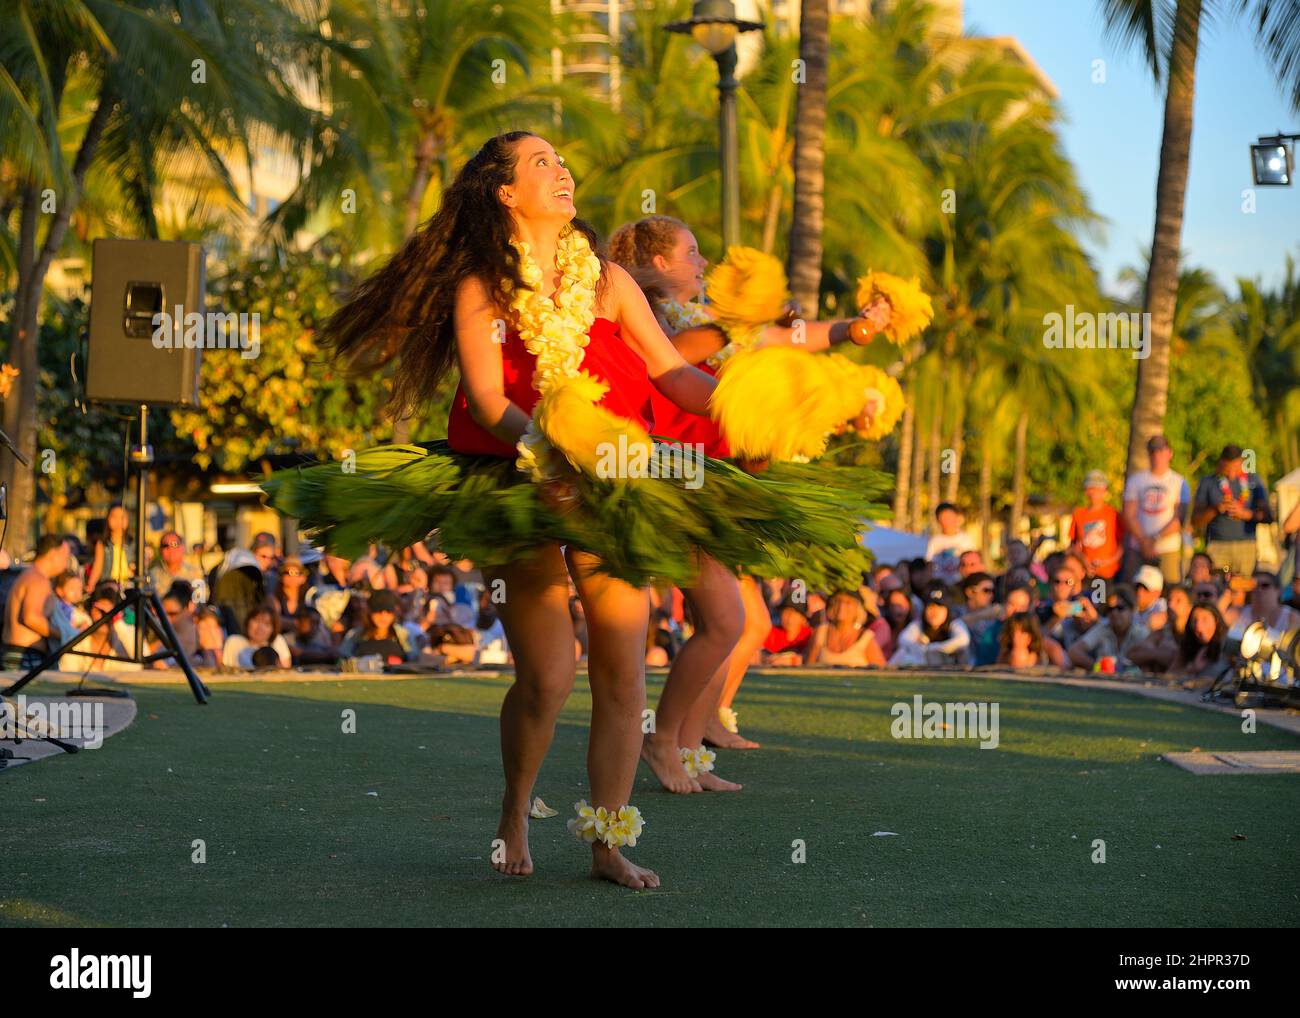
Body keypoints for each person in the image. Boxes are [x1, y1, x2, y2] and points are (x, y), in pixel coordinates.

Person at [260, 132, 877, 889]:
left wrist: (766, 409)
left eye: (563, 159)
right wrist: (550, 450)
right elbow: (488, 402)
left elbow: (677, 376)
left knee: (623, 674)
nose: (564, 170)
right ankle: (516, 809)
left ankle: (608, 840)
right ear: (505, 193)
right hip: (520, 479)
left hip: (615, 481)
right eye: (541, 163)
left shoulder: (609, 280)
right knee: (550, 676)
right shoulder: (481, 288)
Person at [608, 212, 894, 781]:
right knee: (725, 620)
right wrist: (735, 324)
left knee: (729, 621)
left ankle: (685, 747)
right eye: (691, 252)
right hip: (670, 476)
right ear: (661, 263)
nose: (703, 262)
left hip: (713, 478)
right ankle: (664, 741)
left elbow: (790, 335)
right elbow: (668, 359)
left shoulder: (712, 319)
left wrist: (858, 327)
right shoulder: (651, 317)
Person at [1192, 444, 1271, 578]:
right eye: (1227, 468)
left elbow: (1268, 517)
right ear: (1221, 463)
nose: (1231, 473)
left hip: (1246, 546)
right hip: (1217, 547)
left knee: (1244, 586)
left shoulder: (1254, 481)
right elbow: (1195, 521)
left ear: (1241, 463)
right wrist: (1216, 509)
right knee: (1217, 585)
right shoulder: (1208, 482)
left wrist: (1246, 514)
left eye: (1236, 467)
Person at [1122, 434, 1189, 585]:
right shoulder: (1136, 480)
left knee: (1170, 588)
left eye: (1161, 450)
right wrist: (1144, 542)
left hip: (1167, 548)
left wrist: (1155, 539)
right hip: (1138, 548)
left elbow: (1180, 519)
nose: (1156, 454)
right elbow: (1129, 514)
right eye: (1153, 451)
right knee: (1133, 589)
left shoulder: (1179, 482)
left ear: (1169, 453)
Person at [2, 534, 74, 669]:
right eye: (65, 558)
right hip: (25, 656)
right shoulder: (38, 580)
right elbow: (31, 618)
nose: (66, 564)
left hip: (18, 653)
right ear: (53, 554)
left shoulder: (31, 575)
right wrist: (65, 635)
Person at [1067, 585, 1150, 672]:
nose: (1114, 613)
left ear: (1132, 610)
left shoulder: (1141, 633)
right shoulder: (1103, 628)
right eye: (1110, 609)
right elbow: (1074, 652)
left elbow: (1150, 659)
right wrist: (1096, 667)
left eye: (1120, 608)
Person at [889, 582, 971, 667]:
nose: (934, 612)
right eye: (930, 607)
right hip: (924, 667)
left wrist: (933, 648)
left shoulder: (955, 624)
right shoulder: (919, 624)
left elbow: (963, 640)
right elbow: (903, 640)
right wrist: (924, 649)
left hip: (952, 670)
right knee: (902, 652)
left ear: (947, 609)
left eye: (939, 607)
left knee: (962, 651)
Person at [807, 591, 886, 667]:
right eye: (838, 601)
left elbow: (881, 673)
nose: (841, 607)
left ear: (857, 608)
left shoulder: (866, 638)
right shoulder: (820, 632)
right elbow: (809, 667)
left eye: (848, 603)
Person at [1069, 471, 1124, 580]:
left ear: (1105, 491)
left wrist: (1108, 561)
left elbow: (1122, 544)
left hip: (1109, 573)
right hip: (1085, 573)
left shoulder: (1113, 514)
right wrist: (1084, 561)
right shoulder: (1079, 513)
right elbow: (1073, 545)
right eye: (1090, 488)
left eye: (1098, 488)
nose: (1093, 492)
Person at [338, 589, 417, 664]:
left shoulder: (402, 635)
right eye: (378, 611)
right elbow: (342, 659)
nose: (383, 616)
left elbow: (415, 659)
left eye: (388, 612)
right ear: (370, 612)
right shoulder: (355, 635)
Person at [1129, 584, 1192, 673]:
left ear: (1190, 606)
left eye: (1178, 601)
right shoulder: (1162, 633)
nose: (1170, 605)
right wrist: (1157, 654)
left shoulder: (1195, 633)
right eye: (1169, 600)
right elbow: (1132, 655)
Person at [1170, 603, 1232, 688]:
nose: (1198, 625)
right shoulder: (1188, 643)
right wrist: (1191, 669)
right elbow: (1170, 674)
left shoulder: (1229, 643)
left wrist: (1200, 682)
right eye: (1194, 620)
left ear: (1216, 621)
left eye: (1205, 619)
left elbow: (1235, 679)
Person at [222, 605, 292, 670]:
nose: (260, 627)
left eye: (266, 624)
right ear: (248, 622)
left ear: (273, 629)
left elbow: (285, 671)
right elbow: (226, 671)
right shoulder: (234, 642)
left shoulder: (277, 641)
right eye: (256, 621)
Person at [925, 503, 976, 588]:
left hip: (961, 584)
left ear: (956, 517)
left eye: (950, 516)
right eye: (943, 517)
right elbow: (929, 563)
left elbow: (973, 563)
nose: (947, 521)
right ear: (938, 520)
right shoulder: (934, 541)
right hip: (940, 585)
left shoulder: (966, 540)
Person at [86, 503, 134, 590]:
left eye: (122, 518)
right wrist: (91, 584)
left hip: (129, 584)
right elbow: (98, 566)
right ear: (108, 519)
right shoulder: (102, 544)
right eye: (114, 517)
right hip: (109, 584)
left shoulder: (133, 542)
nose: (118, 521)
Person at [996, 612, 1065, 669]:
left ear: (1032, 633)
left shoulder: (1049, 647)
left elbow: (1064, 668)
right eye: (1012, 632)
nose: (1015, 636)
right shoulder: (1006, 650)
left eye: (1022, 632)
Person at [150, 531, 205, 601]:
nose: (170, 549)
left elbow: (200, 601)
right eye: (165, 546)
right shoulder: (152, 575)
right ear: (160, 550)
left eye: (174, 544)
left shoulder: (196, 573)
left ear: (183, 548)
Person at [1132, 564, 1168, 629]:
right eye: (1137, 586)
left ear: (1158, 592)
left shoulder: (1161, 606)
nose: (1139, 592)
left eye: (1146, 588)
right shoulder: (1129, 607)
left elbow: (1162, 618)